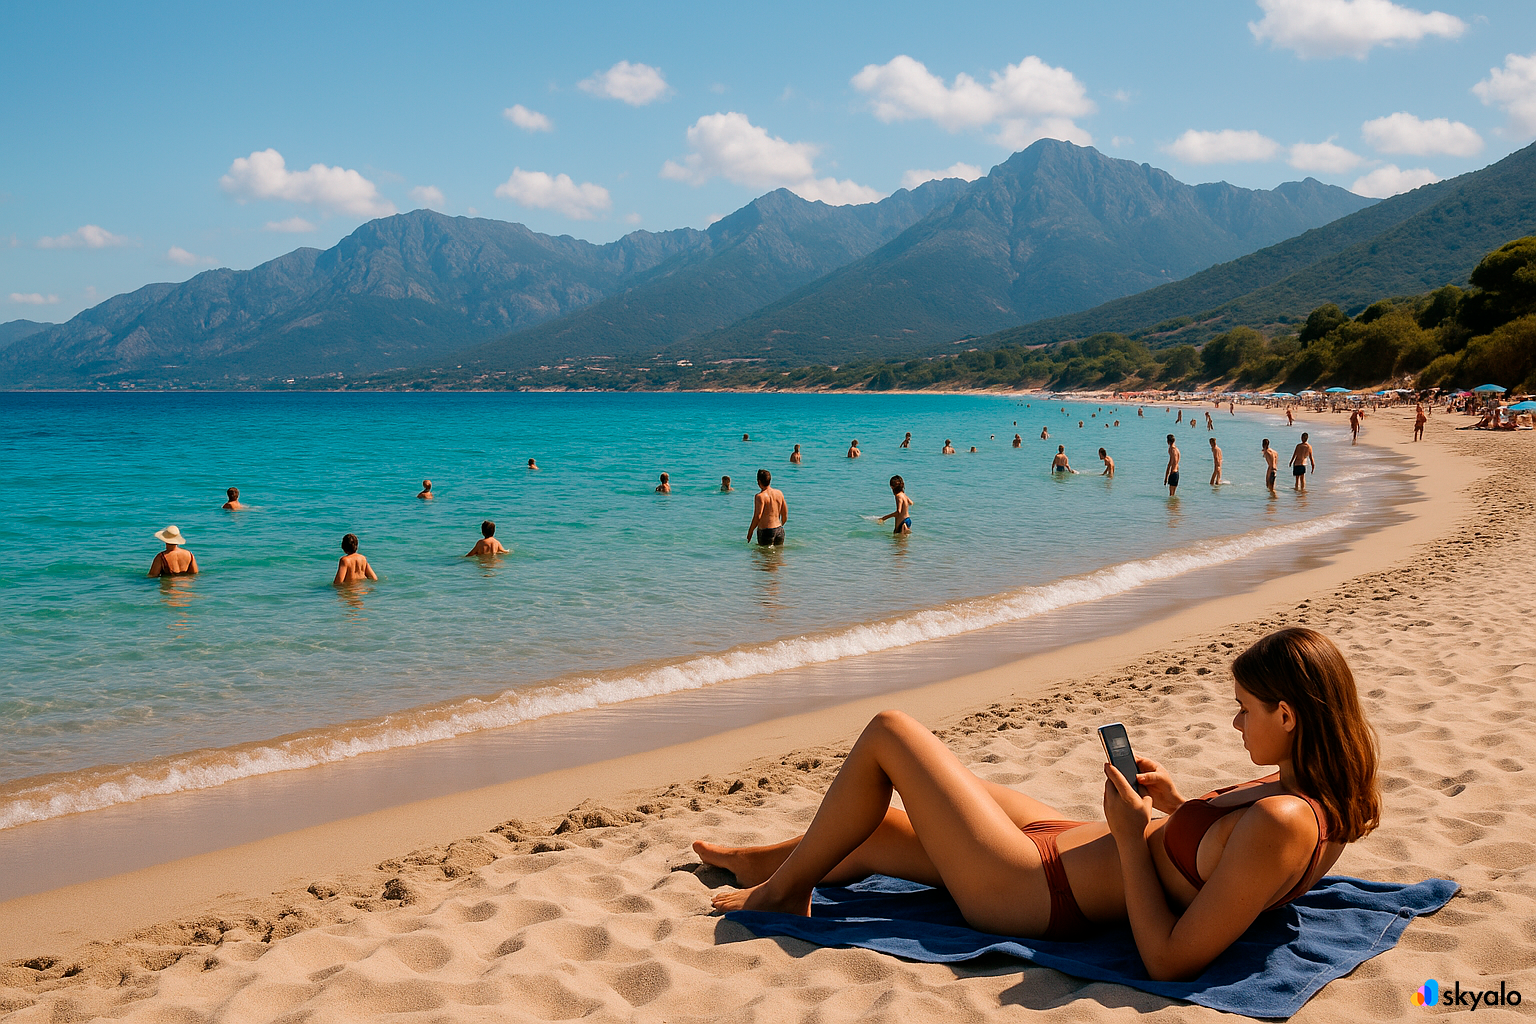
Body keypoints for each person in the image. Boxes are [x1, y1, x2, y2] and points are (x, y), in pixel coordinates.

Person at [696, 628, 1379, 981]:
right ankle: (761, 861)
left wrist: (1136, 832)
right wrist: (1174, 807)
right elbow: (1215, 872)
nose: (1237, 725)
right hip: (1065, 841)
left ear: (1288, 714)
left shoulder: (1282, 821)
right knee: (885, 828)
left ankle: (784, 891)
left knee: (891, 732)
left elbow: (1170, 960)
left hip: (1036, 888)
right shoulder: (1318, 798)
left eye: (1245, 710)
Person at [747, 468, 787, 546]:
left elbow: (758, 516)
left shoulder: (760, 496)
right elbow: (785, 513)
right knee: (777, 556)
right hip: (779, 529)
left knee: (765, 556)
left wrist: (750, 532)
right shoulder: (779, 493)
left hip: (766, 531)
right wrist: (780, 525)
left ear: (759, 481)